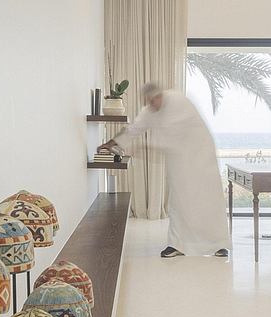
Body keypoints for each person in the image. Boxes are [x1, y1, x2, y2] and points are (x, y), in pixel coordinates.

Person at [98, 82, 232, 259]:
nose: (152, 104)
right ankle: (177, 244)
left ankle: (218, 244)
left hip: (200, 156)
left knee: (207, 200)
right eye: (149, 101)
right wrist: (112, 143)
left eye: (154, 100)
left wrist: (145, 147)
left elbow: (174, 136)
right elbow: (135, 128)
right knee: (179, 201)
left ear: (161, 95)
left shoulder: (178, 100)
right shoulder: (150, 110)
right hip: (179, 161)